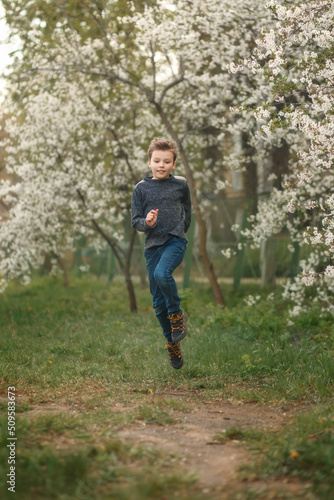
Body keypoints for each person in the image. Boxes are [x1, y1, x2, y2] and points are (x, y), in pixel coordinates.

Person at [131, 137, 192, 369]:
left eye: (167, 161)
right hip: (152, 246)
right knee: (157, 303)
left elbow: (187, 211)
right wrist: (147, 222)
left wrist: (180, 233)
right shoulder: (141, 189)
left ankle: (177, 315)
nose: (161, 165)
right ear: (149, 162)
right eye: (157, 160)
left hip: (175, 241)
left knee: (162, 273)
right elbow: (135, 220)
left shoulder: (180, 185)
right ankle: (172, 342)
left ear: (174, 164)